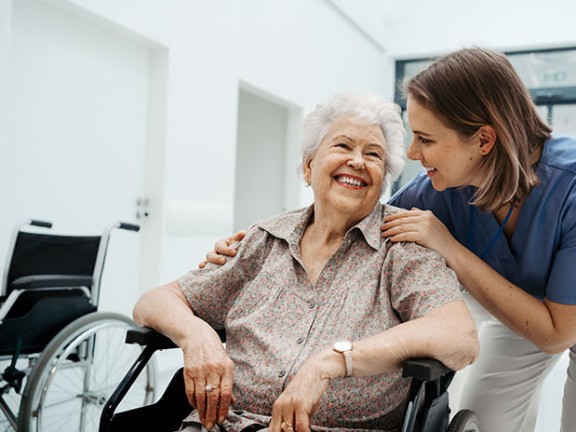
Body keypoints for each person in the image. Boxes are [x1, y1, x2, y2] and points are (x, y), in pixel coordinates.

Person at [204, 47, 576, 432]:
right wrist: (257, 244)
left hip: (562, 320)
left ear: (483, 140)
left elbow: (556, 333)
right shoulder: (436, 188)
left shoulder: (571, 188)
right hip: (514, 306)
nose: (413, 153)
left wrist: (448, 246)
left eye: (426, 139)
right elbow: (354, 219)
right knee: (492, 418)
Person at [134, 90, 478, 432]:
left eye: (373, 154)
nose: (357, 161)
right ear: (309, 166)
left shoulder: (401, 248)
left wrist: (333, 362)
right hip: (224, 425)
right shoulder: (264, 239)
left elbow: (459, 335)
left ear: (382, 181)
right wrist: (197, 335)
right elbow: (154, 301)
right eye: (342, 146)